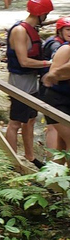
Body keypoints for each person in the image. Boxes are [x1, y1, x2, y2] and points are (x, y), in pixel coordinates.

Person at [5, 0, 54, 167]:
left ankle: (30, 156)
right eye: (46, 13)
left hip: (32, 80)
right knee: (15, 122)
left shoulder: (31, 27)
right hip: (20, 81)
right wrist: (49, 63)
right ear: (41, 13)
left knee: (31, 119)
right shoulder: (20, 30)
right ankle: (11, 160)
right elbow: (24, 61)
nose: (46, 17)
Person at [42, 17, 70, 151]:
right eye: (68, 30)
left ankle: (57, 171)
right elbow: (53, 74)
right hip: (57, 100)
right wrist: (57, 73)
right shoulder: (65, 49)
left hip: (66, 98)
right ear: (60, 31)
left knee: (62, 144)